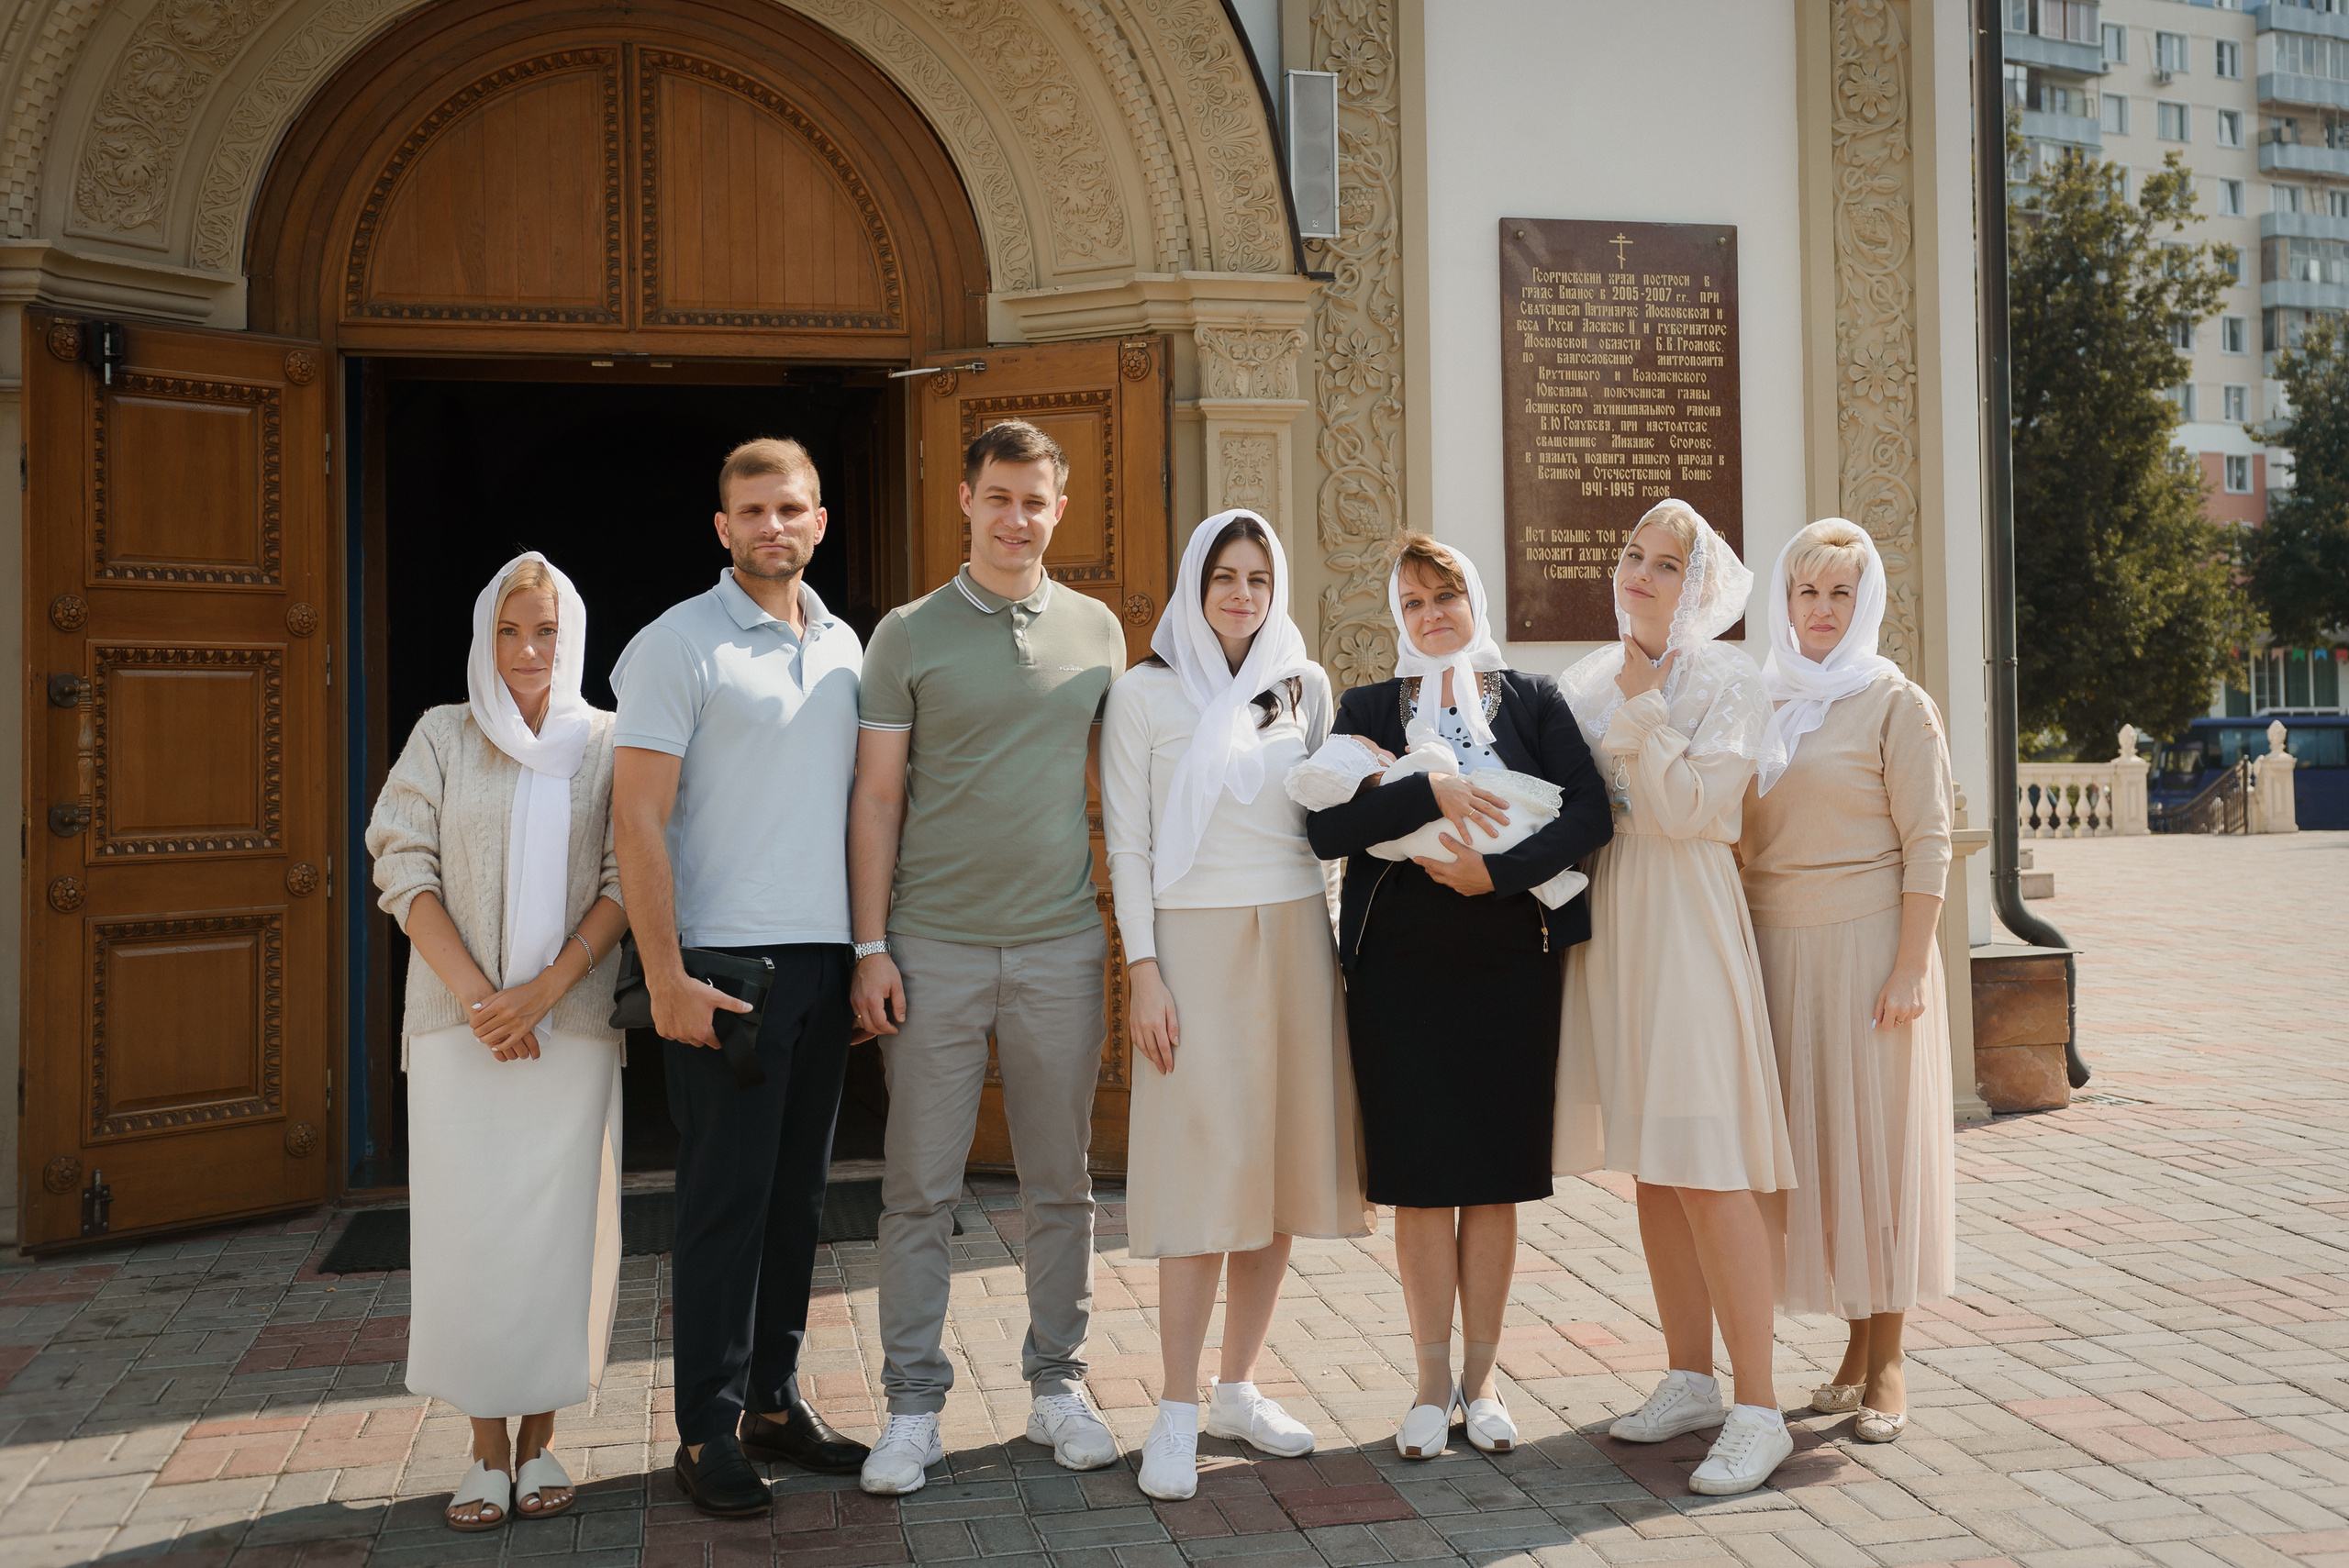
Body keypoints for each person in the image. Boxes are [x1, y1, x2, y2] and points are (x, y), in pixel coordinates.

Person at [848, 419, 1130, 1496]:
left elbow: (1136, 788)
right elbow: (876, 797)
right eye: (999, 496)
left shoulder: (1099, 630)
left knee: (1062, 1180)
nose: (1017, 517)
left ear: (1060, 509)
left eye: (1036, 500)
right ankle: (912, 1406)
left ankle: (1058, 1383)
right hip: (932, 944)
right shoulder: (907, 635)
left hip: (1061, 942)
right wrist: (870, 945)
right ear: (965, 500)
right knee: (919, 1186)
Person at [1302, 534, 1611, 1462]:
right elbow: (1326, 825)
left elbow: (1590, 814)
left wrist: (1497, 873)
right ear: (1397, 615)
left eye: (1445, 596)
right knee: (1423, 1184)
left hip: (1510, 961)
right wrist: (1428, 789)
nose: (1431, 615)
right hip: (1398, 971)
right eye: (1412, 602)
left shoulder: (1533, 700)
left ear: (1474, 600)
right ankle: (1429, 1381)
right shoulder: (1366, 707)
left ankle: (1483, 1379)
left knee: (1492, 1178)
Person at [609, 438, 869, 1518]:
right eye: (752, 510)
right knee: (723, 1202)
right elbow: (637, 817)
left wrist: (864, 955)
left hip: (824, 958)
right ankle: (707, 1428)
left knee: (799, 1196)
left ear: (820, 521)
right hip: (725, 969)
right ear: (722, 528)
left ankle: (772, 1396)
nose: (774, 526)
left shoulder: (849, 644)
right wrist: (662, 972)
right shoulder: (675, 645)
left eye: (791, 508)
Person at [1101, 510, 1374, 1501]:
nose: (1243, 593)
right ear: (1192, 581)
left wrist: (1336, 954)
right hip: (1192, 945)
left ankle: (1236, 1386)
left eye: (1260, 576)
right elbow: (1127, 843)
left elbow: (1324, 828)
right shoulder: (1143, 694)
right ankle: (1173, 1407)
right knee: (1201, 1177)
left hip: (1296, 937)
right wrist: (1144, 969)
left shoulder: (1302, 684)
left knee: (1274, 1179)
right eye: (1224, 573)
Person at [368, 552, 629, 1532]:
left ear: (573, 637)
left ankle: (542, 1438)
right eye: (510, 631)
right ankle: (483, 1446)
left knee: (561, 1237)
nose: (528, 650)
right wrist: (484, 998)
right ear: (485, 638)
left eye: (547, 631)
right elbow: (402, 860)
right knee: (467, 1235)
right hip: (458, 1032)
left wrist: (543, 992)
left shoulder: (606, 740)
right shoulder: (443, 733)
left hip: (571, 1028)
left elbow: (624, 877)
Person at [1553, 498, 1797, 1496]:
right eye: (1631, 555)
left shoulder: (1730, 676)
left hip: (1689, 920)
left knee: (1707, 1163)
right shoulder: (1579, 680)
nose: (1640, 576)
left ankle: (1760, 1405)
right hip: (1618, 923)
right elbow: (1574, 807)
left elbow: (1699, 810)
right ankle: (1690, 1376)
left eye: (1665, 564)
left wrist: (1647, 703)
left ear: (1696, 586)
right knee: (1654, 1163)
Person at [1742, 518, 1957, 1445]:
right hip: (1780, 945)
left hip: (1874, 948)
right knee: (1825, 1158)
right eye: (1806, 590)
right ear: (1783, 600)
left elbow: (1930, 840)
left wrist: (1910, 963)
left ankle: (1890, 1359)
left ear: (1863, 602)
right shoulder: (1763, 700)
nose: (1821, 608)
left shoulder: (1893, 701)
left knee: (1880, 1153)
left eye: (1840, 591)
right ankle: (1849, 1353)